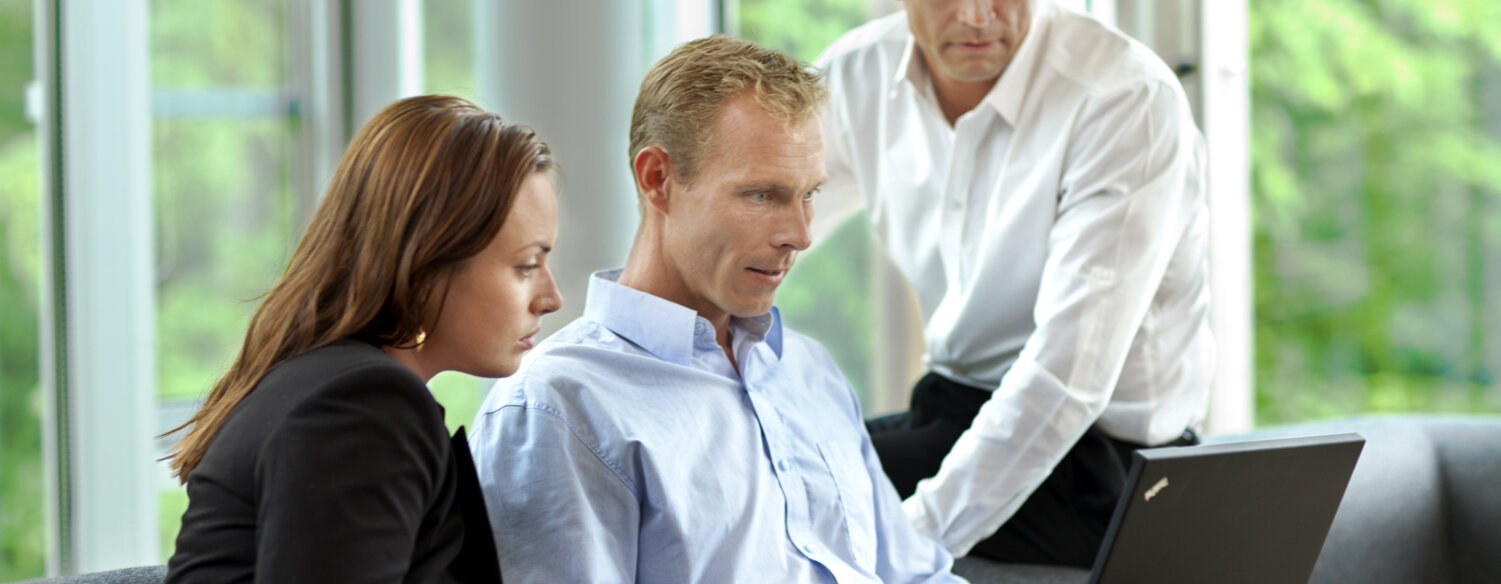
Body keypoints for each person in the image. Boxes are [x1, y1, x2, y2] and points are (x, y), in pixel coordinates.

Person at [469, 36, 966, 583]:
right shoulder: (557, 408)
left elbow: (914, 575)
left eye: (809, 194)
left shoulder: (809, 371)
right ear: (658, 179)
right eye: (762, 196)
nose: (800, 234)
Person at [814, 0, 1213, 568]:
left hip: (1105, 464)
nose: (978, 16)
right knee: (763, 462)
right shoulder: (857, 76)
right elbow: (753, 227)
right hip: (952, 406)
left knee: (799, 494)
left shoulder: (1123, 97)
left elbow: (1065, 379)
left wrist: (910, 543)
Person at [164, 94, 563, 583]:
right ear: (427, 263)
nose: (551, 297)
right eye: (526, 266)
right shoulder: (366, 408)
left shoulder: (327, 384)